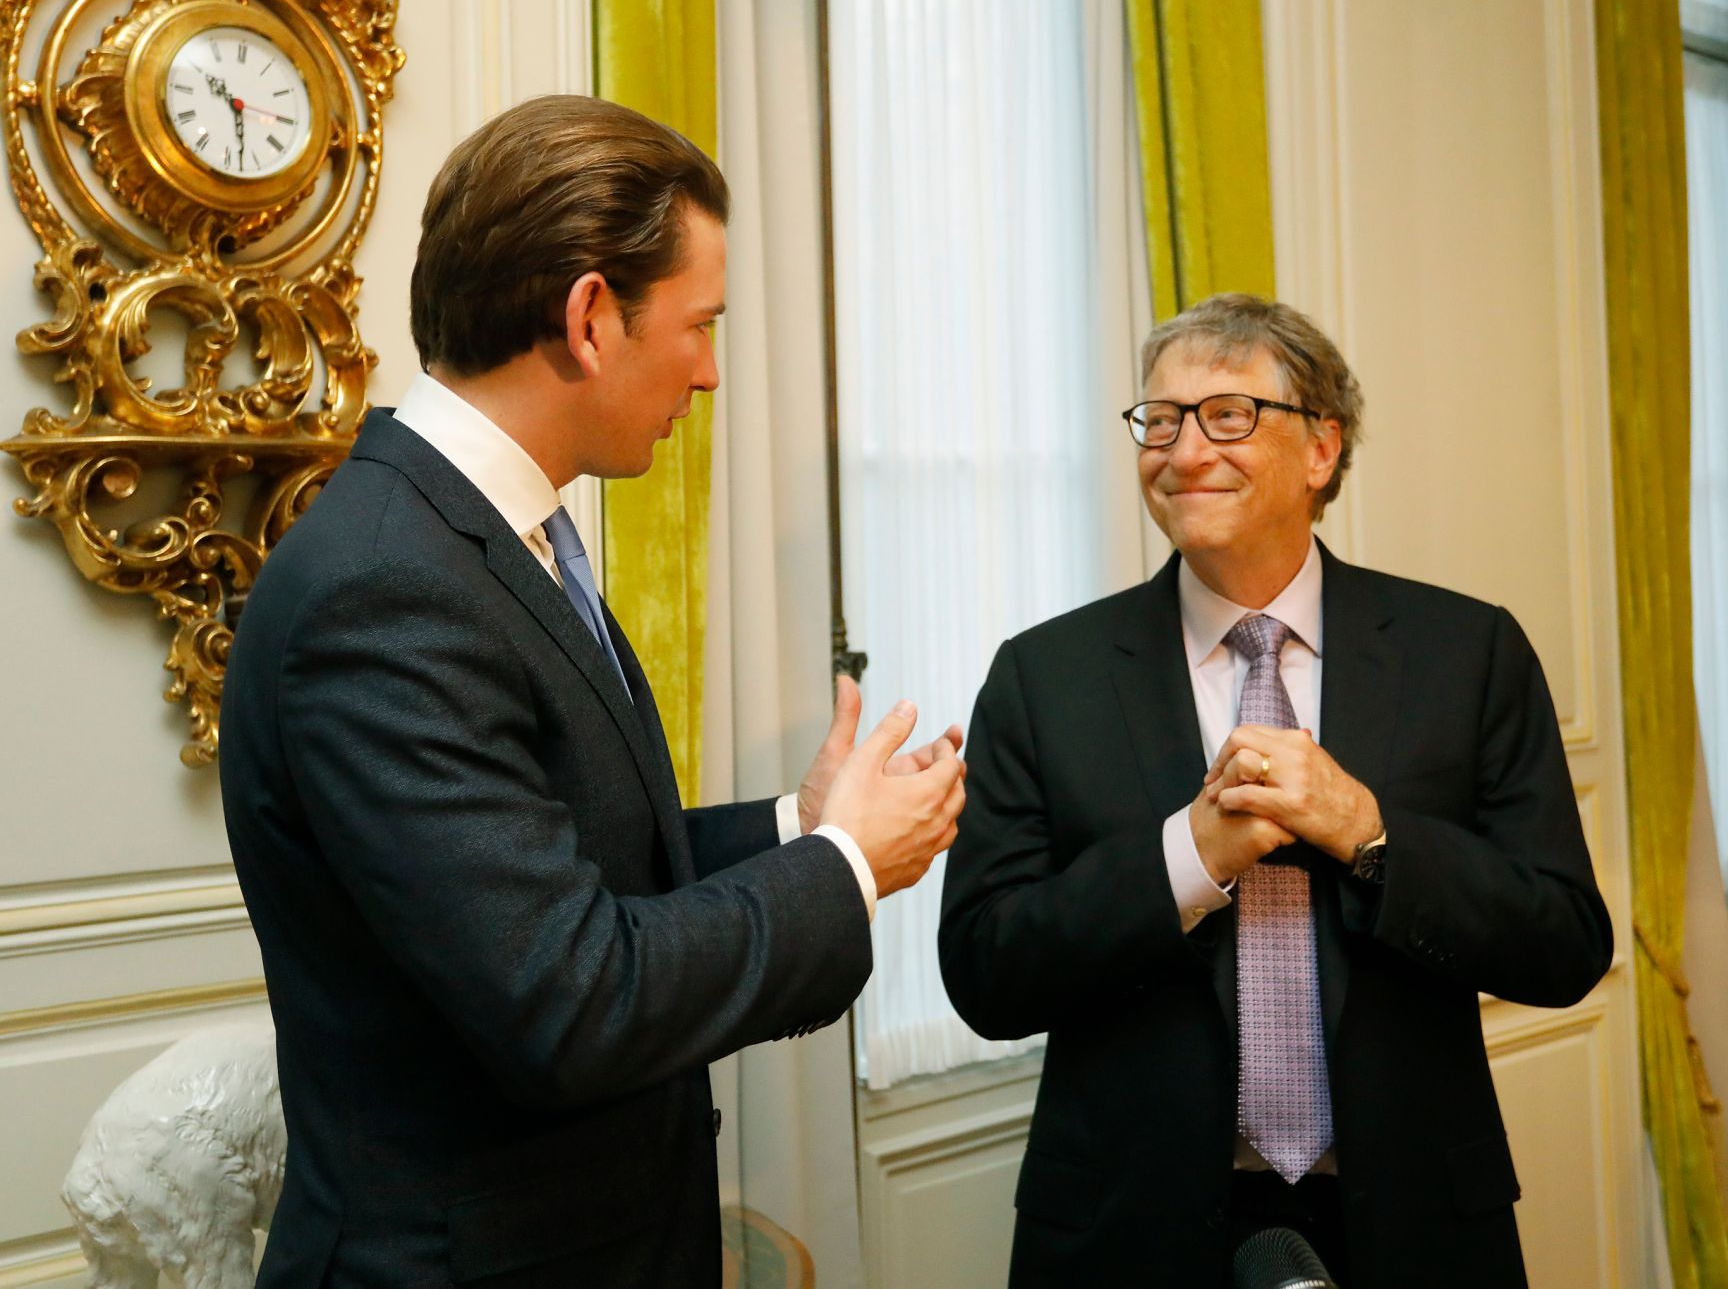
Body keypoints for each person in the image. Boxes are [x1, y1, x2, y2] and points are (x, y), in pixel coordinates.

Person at [220, 94, 964, 1288]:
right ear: (588, 317)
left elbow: (575, 871)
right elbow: (573, 999)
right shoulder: (384, 586)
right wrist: (849, 866)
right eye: (699, 323)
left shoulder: (485, 538)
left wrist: (799, 824)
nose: (711, 373)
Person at [938, 293, 1612, 1288]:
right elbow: (985, 972)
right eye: (1157, 420)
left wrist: (1370, 835)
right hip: (1129, 1223)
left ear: (1319, 449)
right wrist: (1188, 857)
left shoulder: (1464, 652)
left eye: (1226, 415)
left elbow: (1562, 942)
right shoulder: (1045, 677)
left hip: (1414, 1213)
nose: (1179, 448)